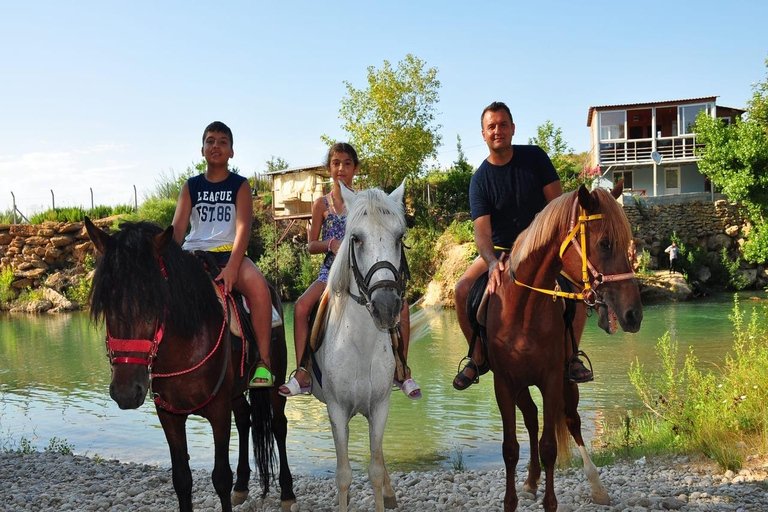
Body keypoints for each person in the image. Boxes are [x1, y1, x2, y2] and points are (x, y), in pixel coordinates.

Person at [452, 101, 593, 391]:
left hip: (543, 249)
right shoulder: (479, 181)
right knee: (462, 289)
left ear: (513, 128)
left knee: (577, 288)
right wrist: (491, 263)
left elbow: (560, 208)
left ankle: (571, 355)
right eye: (491, 126)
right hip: (503, 251)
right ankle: (477, 356)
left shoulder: (536, 158)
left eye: (503, 124)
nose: (498, 130)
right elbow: (482, 234)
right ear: (483, 134)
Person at [278, 142, 421, 399]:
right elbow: (311, 245)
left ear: (355, 168)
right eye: (336, 163)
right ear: (329, 168)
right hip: (331, 272)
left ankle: (402, 369)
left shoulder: (365, 201)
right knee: (300, 307)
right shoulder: (321, 204)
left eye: (346, 163)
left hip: (364, 273)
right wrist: (330, 244)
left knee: (402, 306)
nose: (341, 168)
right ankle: (303, 370)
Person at [171, 121, 274, 388]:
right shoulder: (190, 186)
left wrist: (232, 268)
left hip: (229, 255)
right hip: (193, 256)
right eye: (210, 141)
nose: (216, 145)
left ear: (231, 152)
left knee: (260, 289)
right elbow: (177, 231)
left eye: (222, 142)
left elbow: (243, 229)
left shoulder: (239, 185)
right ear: (202, 149)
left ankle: (263, 363)